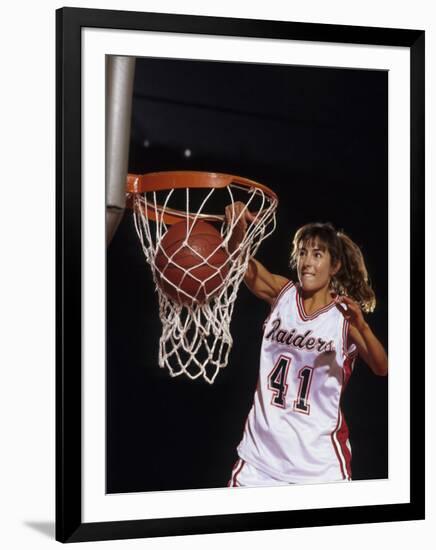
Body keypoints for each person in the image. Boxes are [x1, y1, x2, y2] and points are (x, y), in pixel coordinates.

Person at [225, 202, 388, 487]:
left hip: (318, 468)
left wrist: (361, 326)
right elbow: (243, 264)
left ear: (334, 265)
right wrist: (237, 228)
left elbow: (382, 367)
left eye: (317, 254)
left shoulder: (343, 317)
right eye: (302, 253)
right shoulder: (282, 294)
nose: (307, 262)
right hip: (259, 460)